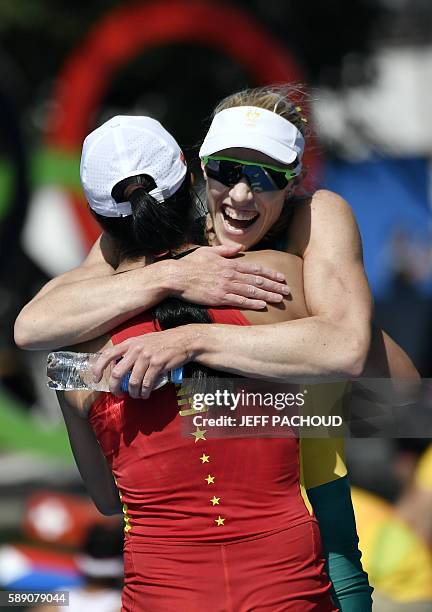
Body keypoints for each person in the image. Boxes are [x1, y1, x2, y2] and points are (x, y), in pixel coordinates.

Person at [16, 86, 418, 608]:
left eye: (266, 176)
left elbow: (384, 382)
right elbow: (33, 324)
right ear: (197, 168)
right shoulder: (170, 229)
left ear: (294, 179)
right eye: (227, 171)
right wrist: (175, 275)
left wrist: (195, 342)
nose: (241, 195)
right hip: (265, 521)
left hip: (313, 501)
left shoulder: (316, 217)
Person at [58, 114, 340, 611]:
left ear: (99, 219)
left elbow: (107, 500)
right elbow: (394, 395)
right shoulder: (274, 280)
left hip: (162, 589)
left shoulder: (74, 348)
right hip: (288, 581)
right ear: (189, 179)